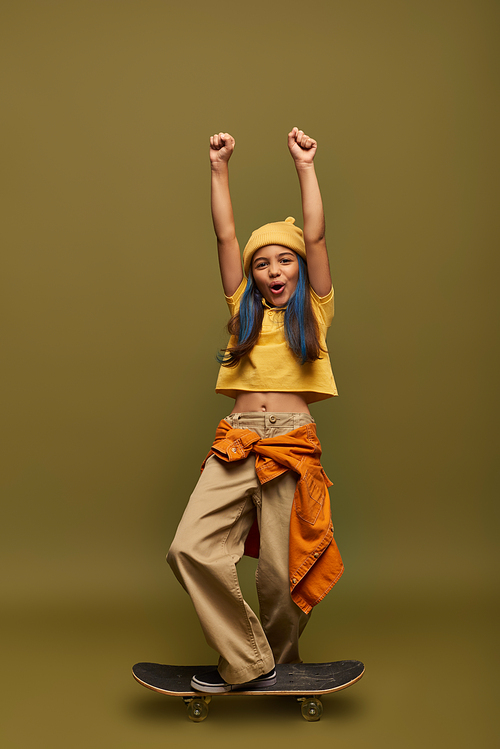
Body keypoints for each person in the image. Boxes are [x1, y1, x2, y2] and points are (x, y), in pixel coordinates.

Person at [166, 127, 344, 694]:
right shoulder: (244, 309)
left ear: (298, 268)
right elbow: (224, 235)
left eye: (283, 262)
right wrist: (219, 169)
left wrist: (305, 167)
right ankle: (250, 662)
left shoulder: (315, 311)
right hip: (238, 439)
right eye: (262, 263)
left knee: (279, 573)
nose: (274, 271)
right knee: (190, 548)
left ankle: (281, 669)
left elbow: (315, 237)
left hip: (292, 440)